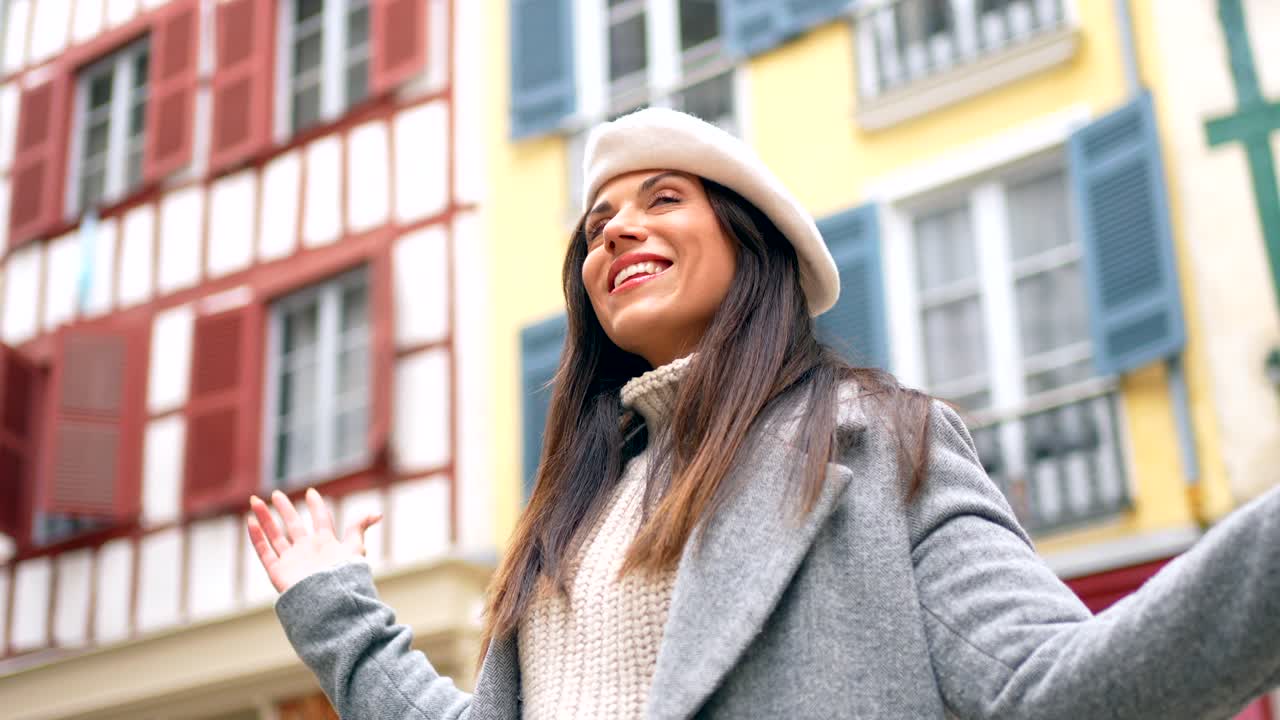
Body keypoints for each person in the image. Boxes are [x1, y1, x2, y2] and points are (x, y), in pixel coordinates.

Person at [246, 108, 1280, 720]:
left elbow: (1050, 686)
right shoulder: (574, 510)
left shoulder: (879, 444)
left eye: (662, 200)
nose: (616, 233)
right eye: (597, 223)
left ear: (748, 242)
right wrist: (337, 607)